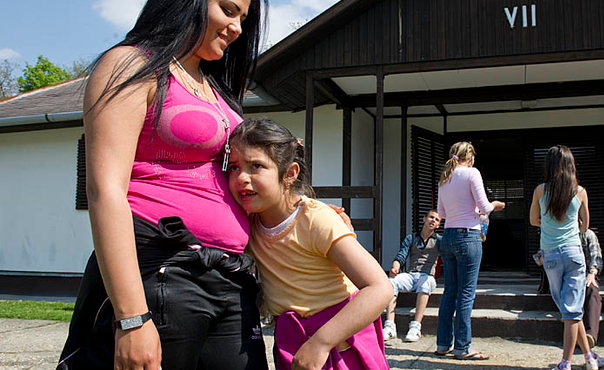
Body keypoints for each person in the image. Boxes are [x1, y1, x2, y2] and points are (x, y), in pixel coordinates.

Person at [57, 1, 267, 369]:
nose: (236, 28)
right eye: (228, 9)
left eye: (243, 20)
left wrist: (303, 215)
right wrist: (132, 317)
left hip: (228, 277)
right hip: (161, 268)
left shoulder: (213, 85)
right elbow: (105, 191)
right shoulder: (133, 64)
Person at [227, 118, 393, 370]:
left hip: (339, 346)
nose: (242, 178)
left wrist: (321, 343)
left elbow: (380, 287)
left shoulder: (316, 220)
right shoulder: (247, 223)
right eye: (234, 167)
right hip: (293, 345)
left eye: (256, 166)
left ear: (290, 173)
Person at [530, 145, 604, 370]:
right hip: (573, 252)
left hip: (550, 254)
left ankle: (566, 363)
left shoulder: (540, 190)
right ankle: (589, 357)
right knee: (572, 311)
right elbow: (586, 226)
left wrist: (550, 224)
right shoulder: (580, 191)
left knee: (569, 310)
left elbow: (534, 220)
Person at [435, 141, 505, 360]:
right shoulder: (472, 173)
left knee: (450, 293)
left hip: (448, 236)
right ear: (470, 156)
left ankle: (442, 344)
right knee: (466, 294)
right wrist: (496, 204)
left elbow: (441, 213)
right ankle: (463, 347)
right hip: (468, 236)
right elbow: (484, 207)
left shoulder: (444, 178)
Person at [383, 210, 442, 343]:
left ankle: (415, 326)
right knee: (392, 281)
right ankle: (389, 325)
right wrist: (395, 267)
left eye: (437, 220)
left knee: (425, 282)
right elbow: (401, 256)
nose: (433, 221)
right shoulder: (411, 238)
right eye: (431, 217)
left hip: (427, 276)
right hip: (411, 275)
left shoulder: (439, 240)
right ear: (424, 219)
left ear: (438, 225)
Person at [580, 228, 603, 349]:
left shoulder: (588, 234)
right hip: (565, 279)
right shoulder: (556, 232)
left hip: (585, 275)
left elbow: (596, 257)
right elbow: (539, 257)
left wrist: (592, 273)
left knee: (592, 289)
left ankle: (590, 335)